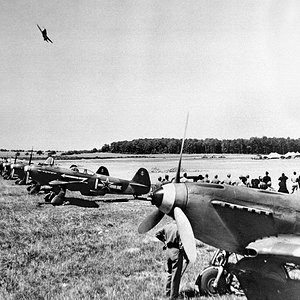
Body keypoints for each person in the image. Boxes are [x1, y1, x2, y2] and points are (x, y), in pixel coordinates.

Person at [156, 222, 189, 299]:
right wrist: (186, 256)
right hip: (176, 252)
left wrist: (164, 241)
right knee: (176, 276)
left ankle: (167, 293)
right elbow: (182, 245)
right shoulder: (180, 228)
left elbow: (157, 234)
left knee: (169, 273)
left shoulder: (167, 226)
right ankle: (174, 296)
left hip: (168, 252)